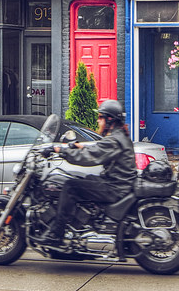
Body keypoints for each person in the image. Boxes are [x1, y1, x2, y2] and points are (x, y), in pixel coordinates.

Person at [46, 99, 136, 245]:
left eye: (100, 117)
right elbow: (98, 148)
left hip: (116, 187)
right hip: (119, 183)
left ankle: (56, 234)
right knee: (84, 177)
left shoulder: (114, 140)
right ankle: (81, 224)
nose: (98, 121)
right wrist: (78, 146)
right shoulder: (118, 136)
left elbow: (90, 157)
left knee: (70, 186)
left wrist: (59, 150)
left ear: (110, 120)